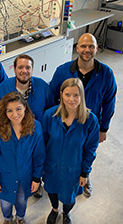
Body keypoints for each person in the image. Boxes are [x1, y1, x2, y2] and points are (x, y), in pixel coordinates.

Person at [49, 33, 117, 197]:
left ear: (96, 48)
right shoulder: (62, 71)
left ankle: (84, 176)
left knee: (86, 152)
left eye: (91, 46)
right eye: (84, 46)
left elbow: (109, 103)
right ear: (77, 47)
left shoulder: (106, 74)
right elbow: (52, 97)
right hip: (64, 123)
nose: (87, 50)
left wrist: (103, 128)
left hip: (89, 126)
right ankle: (54, 177)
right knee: (61, 151)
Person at [0, 54, 54, 199]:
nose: (24, 71)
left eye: (28, 67)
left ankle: (36, 185)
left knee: (36, 161)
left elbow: (51, 111)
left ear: (32, 70)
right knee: (15, 163)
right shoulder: (4, 88)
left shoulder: (42, 86)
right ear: (14, 69)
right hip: (12, 136)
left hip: (36, 137)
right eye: (20, 67)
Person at [42, 78, 99, 224]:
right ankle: (55, 210)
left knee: (69, 196)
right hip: (51, 166)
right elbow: (42, 143)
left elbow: (90, 149)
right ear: (61, 95)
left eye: (76, 95)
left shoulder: (90, 120)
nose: (71, 99)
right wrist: (40, 166)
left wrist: (85, 173)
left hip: (73, 169)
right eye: (67, 95)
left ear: (82, 96)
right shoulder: (50, 115)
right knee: (52, 190)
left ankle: (66, 212)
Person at [0, 92, 45, 224]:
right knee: (6, 203)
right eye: (9, 111)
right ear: (4, 112)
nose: (15, 114)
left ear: (25, 107)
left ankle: (20, 218)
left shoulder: (36, 127)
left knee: (21, 200)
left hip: (26, 176)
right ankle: (7, 219)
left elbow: (39, 155)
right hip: (4, 176)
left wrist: (36, 178)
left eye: (18, 109)